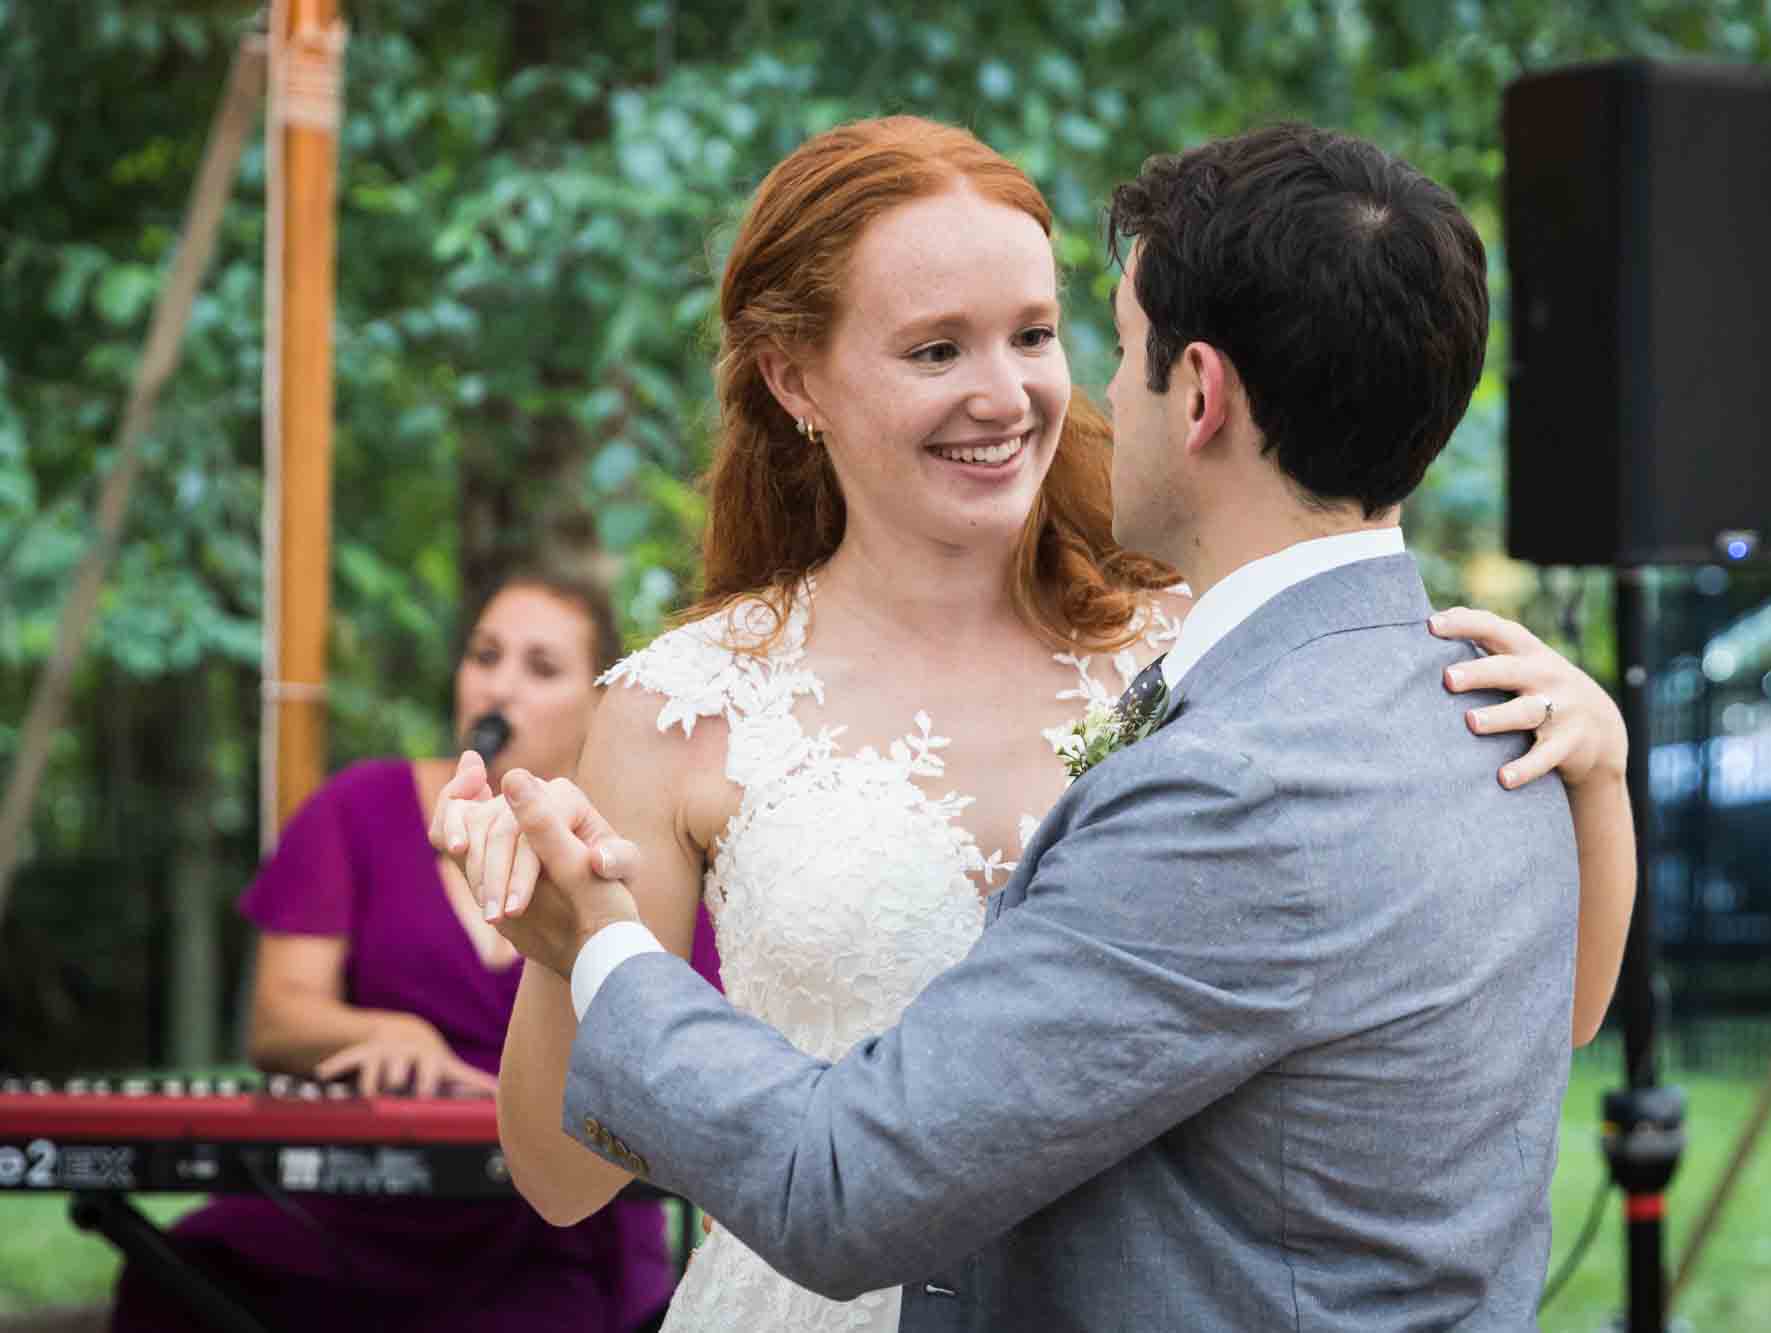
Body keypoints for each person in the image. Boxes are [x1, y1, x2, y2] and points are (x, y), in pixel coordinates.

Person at [437, 117, 1635, 1332]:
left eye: (1036, 335)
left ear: (1192, 387)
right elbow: (562, 1176)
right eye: (934, 348)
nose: (1002, 394)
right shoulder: (682, 705)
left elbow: (1520, 1016)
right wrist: (563, 938)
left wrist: (1594, 779)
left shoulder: (1221, 663)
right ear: (796, 379)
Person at [108, 570, 721, 1333]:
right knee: (177, 1281)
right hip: (356, 1214)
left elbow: (689, 1042)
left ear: (601, 702)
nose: (500, 686)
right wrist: (379, 1033)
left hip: (553, 1229)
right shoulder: (357, 808)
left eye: (541, 668)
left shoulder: (633, 852)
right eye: (485, 655)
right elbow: (277, 1018)